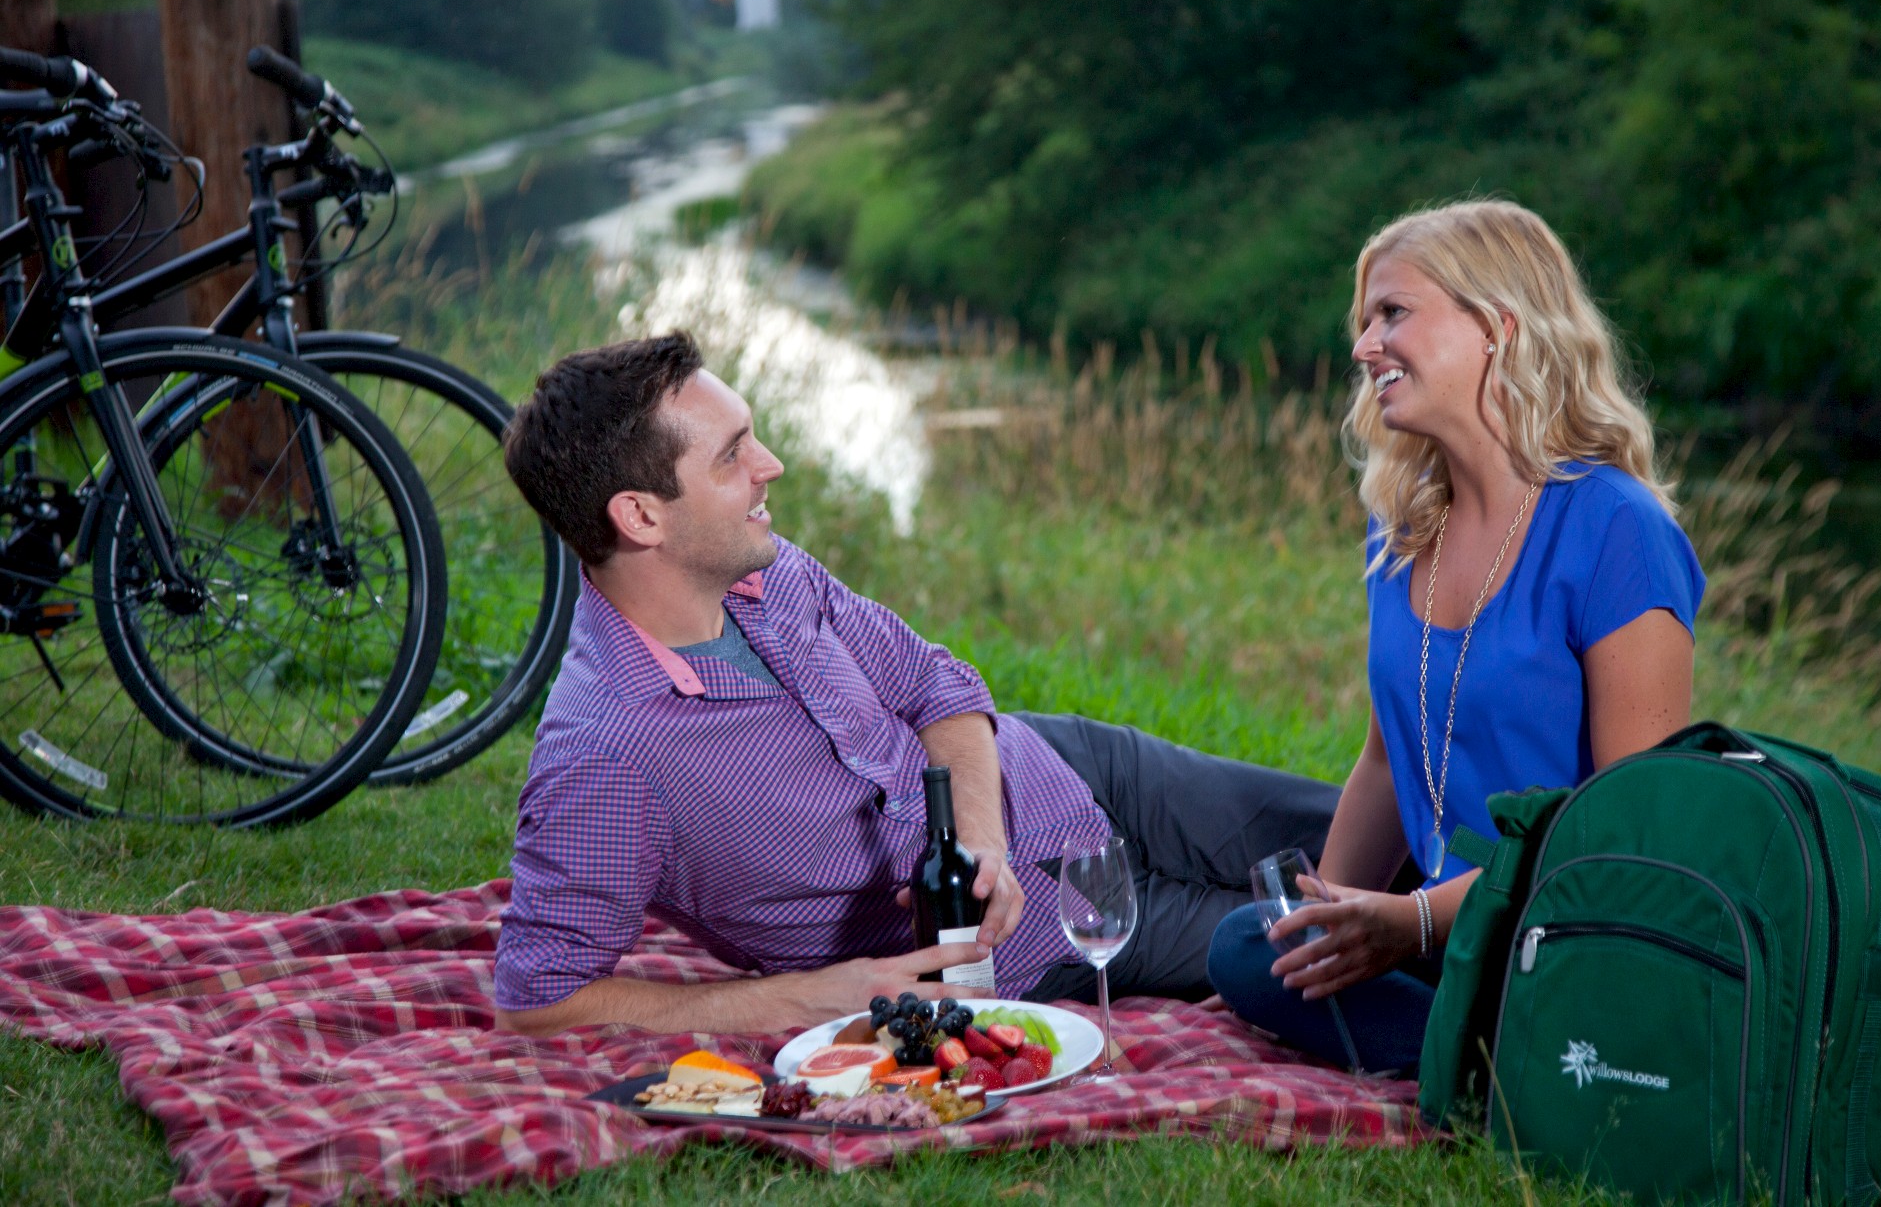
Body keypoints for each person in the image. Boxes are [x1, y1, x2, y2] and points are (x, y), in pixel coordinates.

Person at [490, 333, 1344, 1036]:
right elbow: (540, 1001)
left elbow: (939, 686)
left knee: (1392, 846)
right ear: (640, 516)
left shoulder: (772, 573)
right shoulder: (604, 758)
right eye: (731, 457)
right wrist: (808, 999)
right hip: (1053, 947)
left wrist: (985, 843)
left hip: (1080, 768)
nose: (771, 465)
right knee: (1338, 946)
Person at [1206, 200, 1704, 1074]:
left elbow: (1634, 837)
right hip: (1446, 941)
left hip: (1577, 942)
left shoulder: (1614, 531)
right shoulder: (1398, 530)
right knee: (1249, 943)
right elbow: (1387, 761)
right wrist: (1318, 932)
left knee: (1255, 957)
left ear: (1497, 328)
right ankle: (1484, 1057)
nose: (1364, 347)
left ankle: (1529, 1064)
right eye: (1364, 322)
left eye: (1393, 313)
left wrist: (1415, 922)